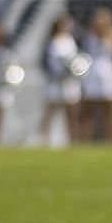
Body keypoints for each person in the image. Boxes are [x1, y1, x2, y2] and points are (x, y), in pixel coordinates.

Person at [40, 14, 87, 145]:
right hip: (55, 82)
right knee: (49, 113)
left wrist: (71, 73)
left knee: (71, 115)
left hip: (69, 83)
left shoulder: (71, 40)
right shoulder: (51, 42)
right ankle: (45, 140)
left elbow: (76, 60)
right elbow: (45, 63)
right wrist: (55, 74)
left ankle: (74, 141)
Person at [83, 8, 112, 142]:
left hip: (107, 73)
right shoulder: (89, 35)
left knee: (110, 112)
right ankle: (85, 140)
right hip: (92, 72)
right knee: (88, 111)